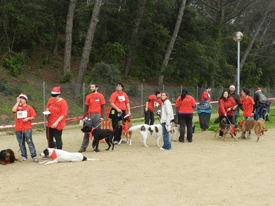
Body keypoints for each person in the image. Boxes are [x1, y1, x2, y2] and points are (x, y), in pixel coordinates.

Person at [78, 83, 106, 153]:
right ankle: (83, 147)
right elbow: (86, 107)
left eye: (93, 87)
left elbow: (103, 107)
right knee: (86, 132)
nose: (91, 89)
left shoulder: (100, 96)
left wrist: (102, 117)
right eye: (90, 87)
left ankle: (95, 147)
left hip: (97, 115)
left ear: (96, 88)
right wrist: (84, 117)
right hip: (89, 115)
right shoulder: (88, 96)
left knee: (97, 132)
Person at [12, 93, 39, 163]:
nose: (20, 100)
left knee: (29, 142)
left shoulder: (29, 108)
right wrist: (17, 103)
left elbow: (34, 116)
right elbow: (13, 110)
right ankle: (24, 156)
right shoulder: (18, 107)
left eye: (22, 98)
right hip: (18, 128)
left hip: (27, 128)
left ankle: (34, 156)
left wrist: (28, 118)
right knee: (21, 143)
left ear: (26, 100)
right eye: (19, 98)